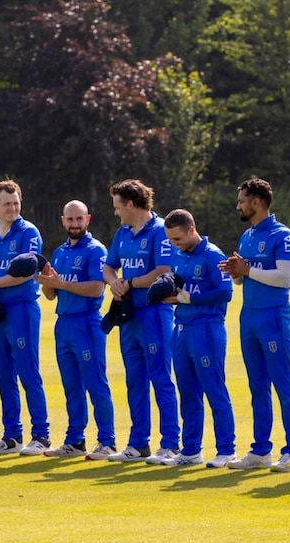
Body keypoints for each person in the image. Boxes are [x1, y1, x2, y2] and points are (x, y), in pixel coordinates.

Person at [218, 178, 290, 472]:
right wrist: (235, 272)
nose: (238, 205)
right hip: (249, 316)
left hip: (273, 317)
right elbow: (243, 278)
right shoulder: (247, 236)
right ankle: (260, 450)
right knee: (257, 386)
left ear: (256, 202)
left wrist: (248, 269)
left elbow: (285, 279)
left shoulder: (282, 235)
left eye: (242, 200)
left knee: (283, 383)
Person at [102, 179, 180, 464]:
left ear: (132, 205)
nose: (116, 212)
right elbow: (108, 266)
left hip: (154, 313)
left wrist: (130, 281)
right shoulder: (122, 233)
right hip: (129, 315)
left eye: (118, 206)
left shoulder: (160, 231)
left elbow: (163, 270)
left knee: (160, 377)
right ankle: (138, 443)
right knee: (134, 379)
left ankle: (170, 443)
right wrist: (115, 283)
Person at [0, 180, 50, 455]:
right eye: (6, 204)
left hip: (22, 309)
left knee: (28, 373)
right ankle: (12, 435)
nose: (12, 208)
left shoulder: (28, 231)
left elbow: (26, 270)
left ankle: (41, 435)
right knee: (3, 375)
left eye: (16, 203)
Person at [36, 200, 117, 460]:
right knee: (71, 386)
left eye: (79, 219)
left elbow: (96, 288)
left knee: (95, 383)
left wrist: (61, 283)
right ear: (63, 221)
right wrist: (46, 281)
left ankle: (107, 441)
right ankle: (75, 440)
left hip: (87, 323)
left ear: (88, 219)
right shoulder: (59, 252)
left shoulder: (95, 250)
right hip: (64, 324)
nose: (74, 224)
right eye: (70, 220)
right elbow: (51, 295)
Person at [160, 209, 235, 467]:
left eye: (177, 239)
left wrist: (191, 299)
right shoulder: (179, 256)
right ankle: (191, 450)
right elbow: (180, 288)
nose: (174, 244)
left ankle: (226, 449)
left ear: (191, 230)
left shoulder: (213, 255)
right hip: (181, 328)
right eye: (170, 240)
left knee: (215, 390)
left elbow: (226, 292)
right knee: (188, 392)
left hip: (207, 329)